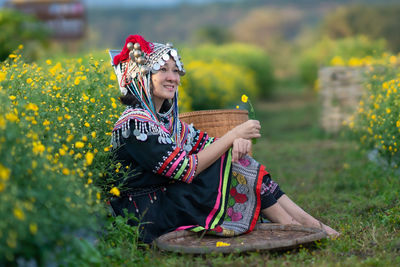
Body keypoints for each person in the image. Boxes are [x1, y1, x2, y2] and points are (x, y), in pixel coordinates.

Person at [108, 35, 339, 243]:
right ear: (141, 75)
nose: (173, 78)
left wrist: (235, 143)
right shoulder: (135, 124)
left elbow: (210, 145)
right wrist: (233, 136)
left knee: (238, 161)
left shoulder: (165, 121)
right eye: (163, 70)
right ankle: (295, 227)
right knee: (232, 166)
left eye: (176, 70)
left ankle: (306, 223)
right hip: (144, 213)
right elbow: (185, 169)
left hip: (166, 198)